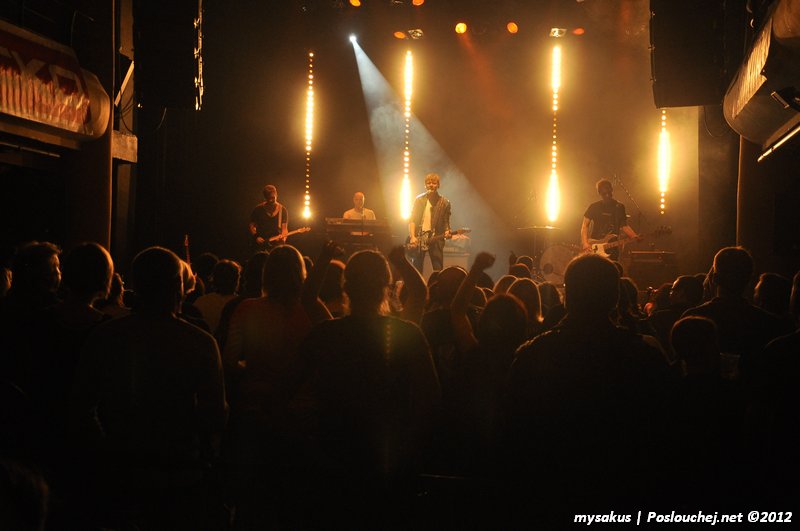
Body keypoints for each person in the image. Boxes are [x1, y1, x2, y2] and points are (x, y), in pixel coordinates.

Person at [580, 179, 639, 260]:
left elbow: (624, 226)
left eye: (609, 193)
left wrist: (634, 236)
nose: (607, 195)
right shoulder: (594, 207)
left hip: (613, 247)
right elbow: (585, 226)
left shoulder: (619, 207)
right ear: (599, 193)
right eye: (604, 194)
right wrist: (585, 243)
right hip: (595, 245)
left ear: (612, 190)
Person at [408, 173, 451, 273]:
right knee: (417, 269)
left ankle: (437, 287)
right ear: (425, 185)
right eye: (428, 183)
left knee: (438, 268)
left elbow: (446, 221)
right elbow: (412, 219)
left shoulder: (444, 202)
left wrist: (447, 230)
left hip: (435, 238)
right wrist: (412, 236)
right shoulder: (419, 200)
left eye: (434, 183)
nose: (431, 185)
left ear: (438, 185)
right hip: (419, 237)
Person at [249, 184, 288, 252]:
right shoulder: (258, 209)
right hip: (261, 245)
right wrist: (256, 237)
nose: (271, 200)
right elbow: (252, 226)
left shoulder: (283, 210)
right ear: (265, 197)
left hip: (276, 246)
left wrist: (283, 238)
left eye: (273, 198)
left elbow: (284, 228)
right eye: (269, 198)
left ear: (276, 195)